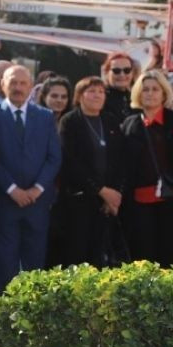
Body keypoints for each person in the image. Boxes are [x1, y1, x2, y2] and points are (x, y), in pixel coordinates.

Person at [0, 65, 62, 293]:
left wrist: (37, 189)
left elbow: (53, 157)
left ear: (31, 86)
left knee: (35, 265)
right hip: (4, 203)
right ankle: (4, 318)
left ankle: (33, 316)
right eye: (13, 83)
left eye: (22, 83)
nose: (18, 88)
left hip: (37, 204)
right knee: (4, 264)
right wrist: (12, 189)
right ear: (2, 85)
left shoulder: (45, 117)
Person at [119, 70, 173, 266]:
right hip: (137, 202)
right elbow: (121, 165)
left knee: (169, 254)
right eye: (145, 89)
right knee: (141, 256)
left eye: (155, 89)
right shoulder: (130, 124)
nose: (150, 93)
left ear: (164, 93)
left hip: (170, 201)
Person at [51, 77, 125, 267]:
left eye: (101, 92)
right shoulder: (70, 121)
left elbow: (118, 160)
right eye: (92, 91)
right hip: (78, 199)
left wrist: (113, 195)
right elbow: (70, 162)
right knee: (77, 255)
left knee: (100, 257)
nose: (97, 95)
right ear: (80, 95)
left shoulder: (110, 121)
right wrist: (101, 190)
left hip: (106, 202)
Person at [101, 52, 138, 122]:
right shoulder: (100, 99)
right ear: (106, 73)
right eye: (116, 71)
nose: (122, 75)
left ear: (132, 73)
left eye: (127, 70)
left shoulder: (136, 99)